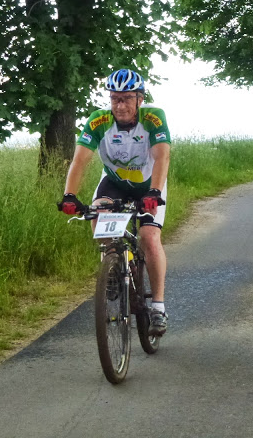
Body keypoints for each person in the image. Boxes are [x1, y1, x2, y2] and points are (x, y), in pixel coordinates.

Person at [58, 69, 171, 336]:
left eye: (127, 98)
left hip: (149, 185)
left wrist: (154, 192)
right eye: (115, 98)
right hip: (115, 182)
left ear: (140, 99)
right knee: (97, 213)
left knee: (149, 237)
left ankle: (158, 306)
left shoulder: (154, 117)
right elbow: (80, 160)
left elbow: (162, 157)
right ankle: (114, 265)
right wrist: (69, 195)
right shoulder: (99, 120)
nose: (120, 105)